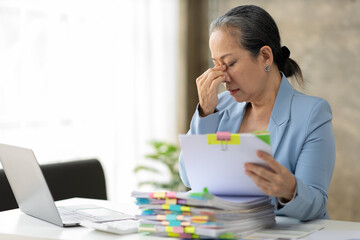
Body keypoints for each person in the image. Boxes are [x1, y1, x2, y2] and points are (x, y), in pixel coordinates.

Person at [178, 5, 335, 221]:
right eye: (216, 65)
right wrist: (205, 114)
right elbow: (189, 178)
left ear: (265, 56)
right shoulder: (217, 108)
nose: (223, 77)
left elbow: (316, 205)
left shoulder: (312, 114)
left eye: (230, 63)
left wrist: (290, 191)